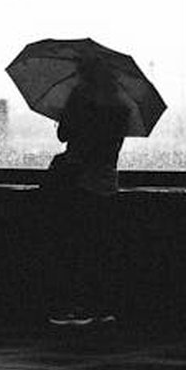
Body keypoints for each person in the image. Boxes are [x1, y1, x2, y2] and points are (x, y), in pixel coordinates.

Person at [42, 62, 128, 326]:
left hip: (78, 183)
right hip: (106, 183)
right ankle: (100, 305)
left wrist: (69, 110)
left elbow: (64, 134)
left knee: (71, 246)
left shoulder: (81, 100)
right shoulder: (121, 108)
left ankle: (71, 304)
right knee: (99, 248)